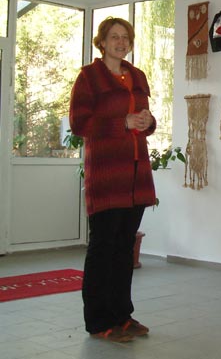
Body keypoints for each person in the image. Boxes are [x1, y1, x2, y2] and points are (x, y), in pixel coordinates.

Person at [69, 17, 156, 342]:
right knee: (103, 249)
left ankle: (122, 316)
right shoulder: (89, 77)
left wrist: (147, 122)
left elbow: (145, 121)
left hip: (136, 176)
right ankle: (98, 322)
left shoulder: (137, 76)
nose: (121, 42)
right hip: (107, 176)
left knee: (123, 249)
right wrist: (122, 123)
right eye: (114, 37)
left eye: (125, 37)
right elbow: (79, 123)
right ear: (102, 42)